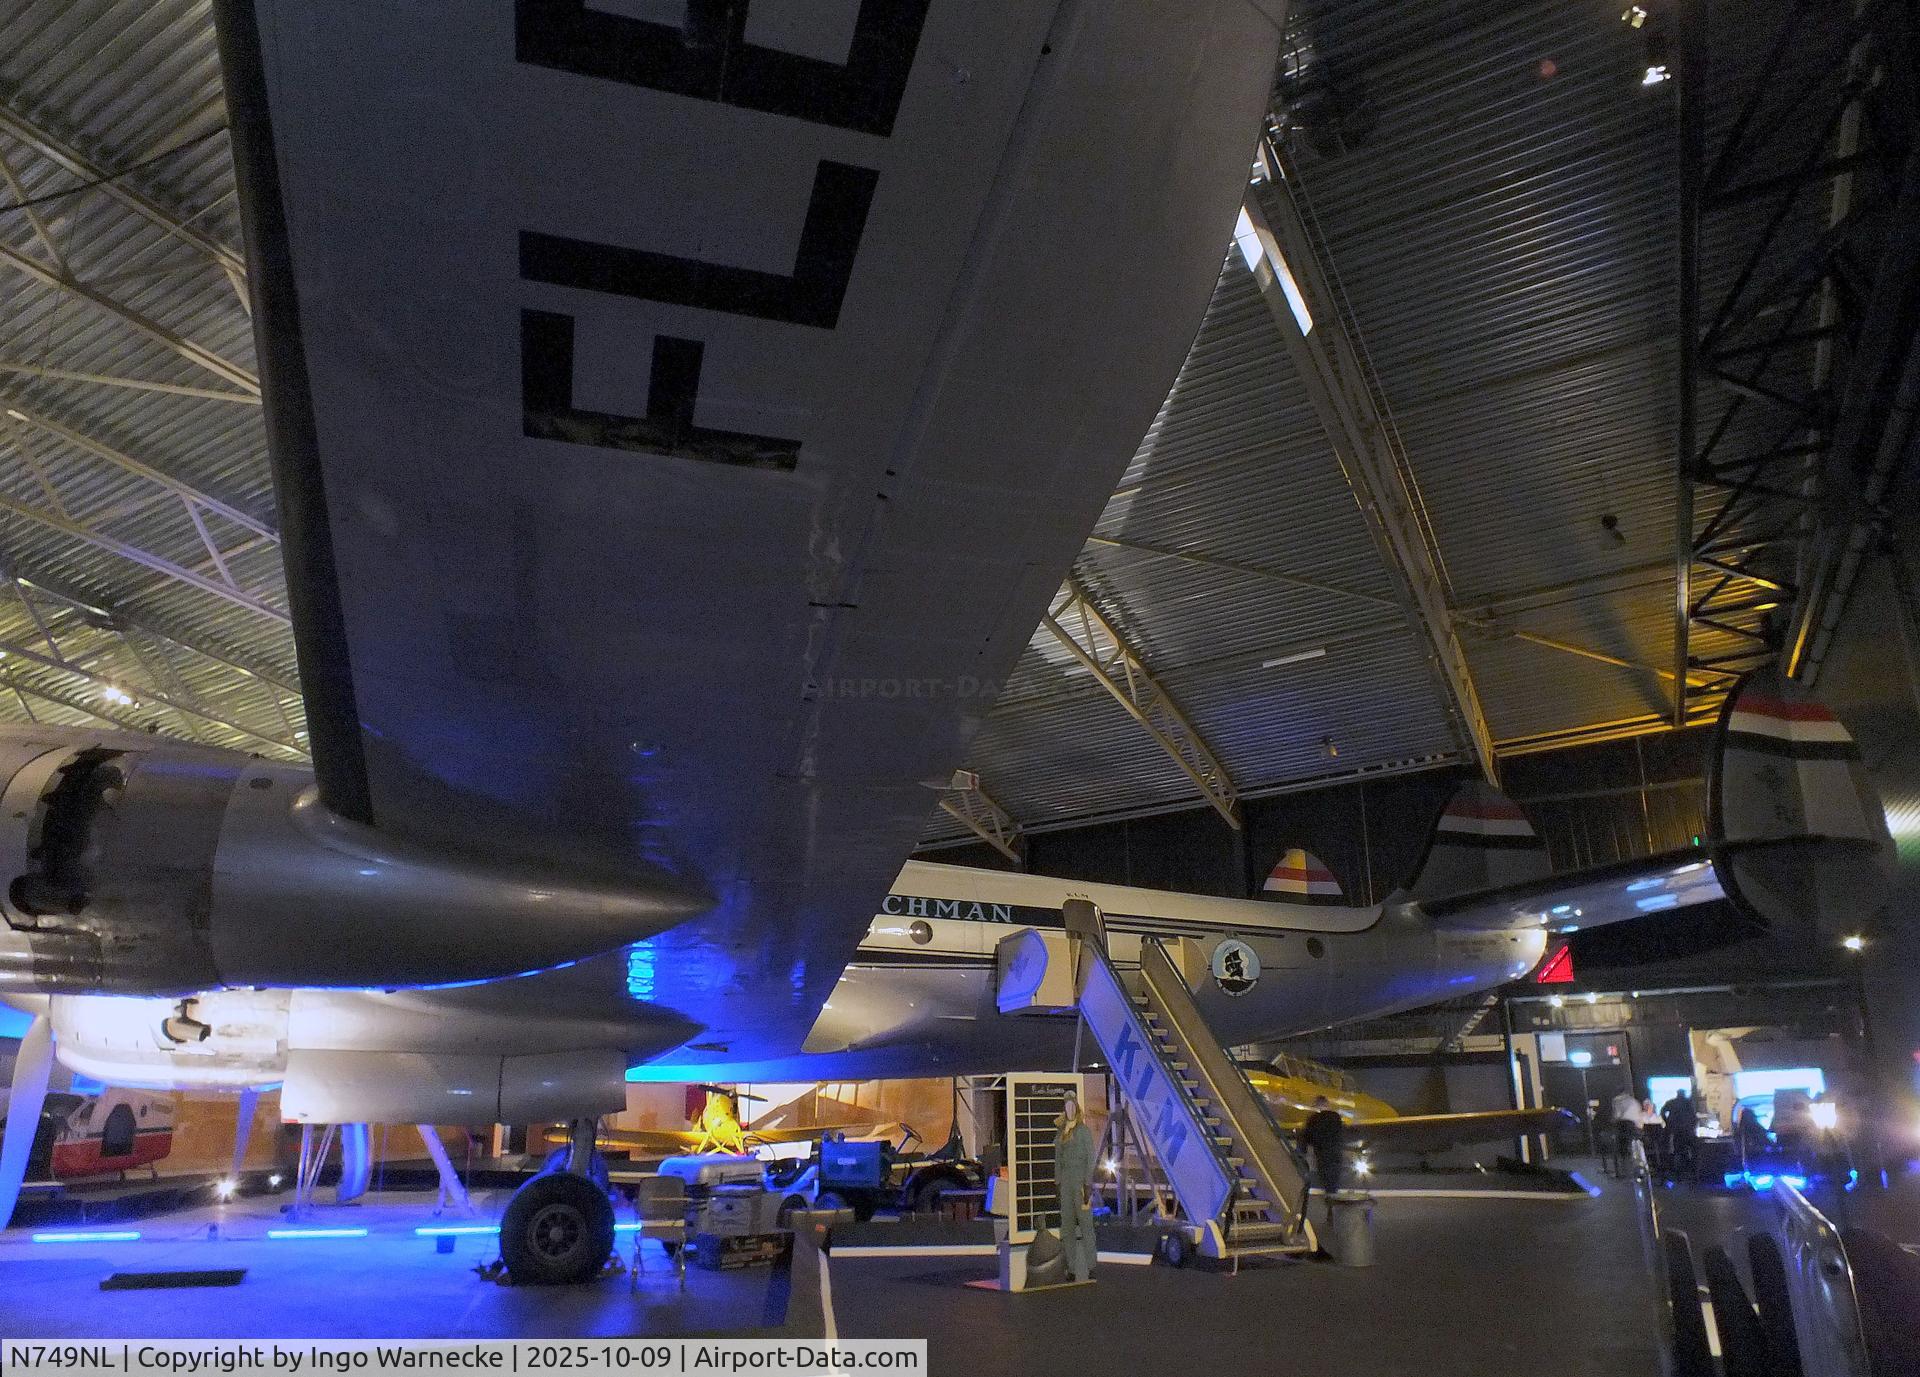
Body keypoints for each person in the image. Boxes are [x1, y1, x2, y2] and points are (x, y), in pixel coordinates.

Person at [1053, 1092, 1097, 1283]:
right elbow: (1057, 1160)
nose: (1069, 1109)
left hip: (1080, 1184)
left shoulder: (1083, 1131)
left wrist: (1088, 1184)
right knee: (1067, 1227)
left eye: (1072, 1106)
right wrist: (1057, 1183)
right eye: (1066, 1106)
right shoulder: (1061, 1132)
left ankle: (1092, 1265)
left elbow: (1091, 1158)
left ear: (1076, 1108)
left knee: (1086, 1225)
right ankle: (1071, 1267)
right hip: (1066, 1183)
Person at [1298, 1095, 1347, 1215]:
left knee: (1325, 1176)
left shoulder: (1313, 1119)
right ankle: (1333, 1199)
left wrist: (1302, 1152)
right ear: (1327, 1104)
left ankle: (1330, 1202)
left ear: (1317, 1105)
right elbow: (1341, 1133)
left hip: (1322, 1153)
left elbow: (1307, 1138)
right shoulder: (1336, 1117)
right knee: (1334, 1177)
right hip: (1335, 1152)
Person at [1660, 1088, 1698, 1182]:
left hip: (1677, 1130)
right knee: (1691, 1151)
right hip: (1687, 1131)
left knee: (1678, 1152)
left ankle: (1679, 1174)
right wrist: (1692, 1126)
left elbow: (1662, 1111)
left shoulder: (1672, 1102)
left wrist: (1668, 1122)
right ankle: (1691, 1172)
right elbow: (1694, 1116)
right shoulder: (1688, 1103)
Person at [1609, 1087, 1642, 1177]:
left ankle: (1624, 1170)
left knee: (1622, 1147)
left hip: (1623, 1124)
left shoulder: (1617, 1100)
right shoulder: (1634, 1101)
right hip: (1633, 1125)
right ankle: (1635, 1169)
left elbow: (1617, 1114)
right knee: (1632, 1146)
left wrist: (1613, 1122)